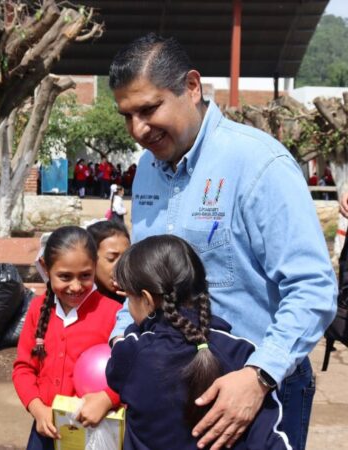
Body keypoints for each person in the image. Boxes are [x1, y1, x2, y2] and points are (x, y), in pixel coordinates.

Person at [108, 33, 337, 450]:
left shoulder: (258, 164)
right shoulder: (146, 171)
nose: (137, 129)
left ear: (192, 87)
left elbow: (313, 289)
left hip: (259, 389)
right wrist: (123, 343)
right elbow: (144, 283)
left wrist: (258, 377)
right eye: (127, 115)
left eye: (149, 109)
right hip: (172, 389)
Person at [107, 234, 292, 450]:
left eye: (129, 298)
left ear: (147, 300)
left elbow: (116, 368)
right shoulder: (241, 352)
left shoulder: (132, 352)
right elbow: (270, 438)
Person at [12, 226, 122, 450]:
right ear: (45, 268)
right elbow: (23, 368)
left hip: (95, 433)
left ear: (95, 267)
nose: (75, 286)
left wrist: (109, 398)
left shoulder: (115, 314)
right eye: (64, 277)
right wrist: (37, 409)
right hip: (45, 430)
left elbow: (132, 371)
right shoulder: (37, 309)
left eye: (85, 276)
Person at [87, 220, 130, 304]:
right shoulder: (76, 299)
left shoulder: (133, 299)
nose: (121, 266)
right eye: (111, 258)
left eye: (126, 258)